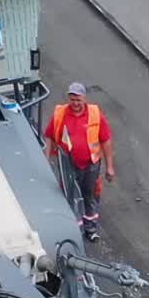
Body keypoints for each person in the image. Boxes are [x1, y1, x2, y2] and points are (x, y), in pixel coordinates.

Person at [45, 81, 116, 242]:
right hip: (68, 165)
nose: (75, 103)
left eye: (78, 100)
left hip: (90, 165)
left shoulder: (95, 114)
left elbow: (106, 141)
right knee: (70, 196)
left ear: (84, 99)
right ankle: (75, 230)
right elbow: (49, 136)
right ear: (69, 99)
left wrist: (110, 167)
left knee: (89, 195)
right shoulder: (60, 113)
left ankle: (90, 229)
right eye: (72, 99)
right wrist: (46, 159)